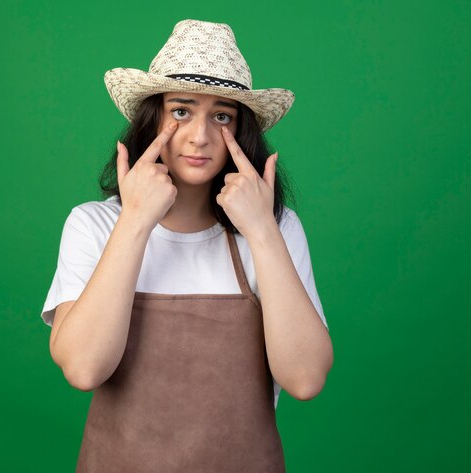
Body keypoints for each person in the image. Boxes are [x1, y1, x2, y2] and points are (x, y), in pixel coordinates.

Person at [40, 19, 333, 472]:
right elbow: (83, 368)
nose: (200, 136)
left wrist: (261, 231)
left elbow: (306, 379)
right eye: (181, 111)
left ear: (242, 130)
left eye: (221, 115)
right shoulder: (94, 224)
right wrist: (136, 220)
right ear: (151, 118)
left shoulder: (275, 229)